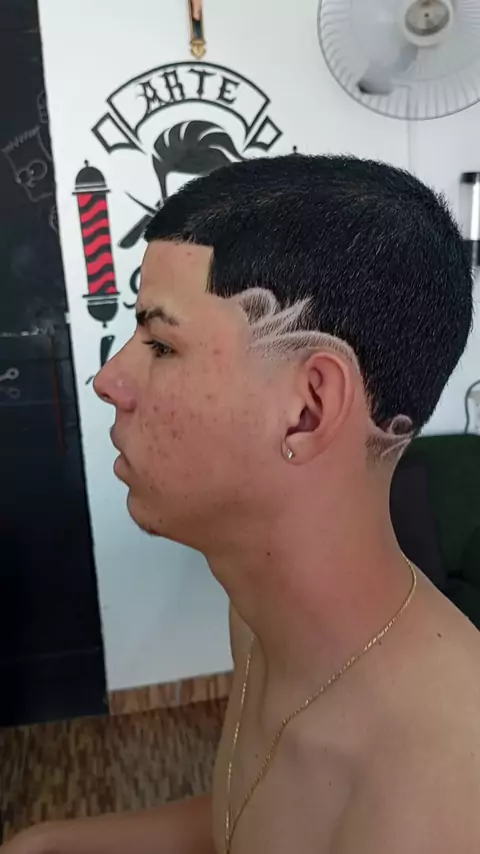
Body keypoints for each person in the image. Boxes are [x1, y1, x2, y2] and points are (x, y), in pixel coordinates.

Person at [4, 154, 480, 854]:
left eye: (161, 344)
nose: (109, 380)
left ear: (307, 409)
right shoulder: (262, 619)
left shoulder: (438, 802)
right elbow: (256, 814)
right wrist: (44, 841)